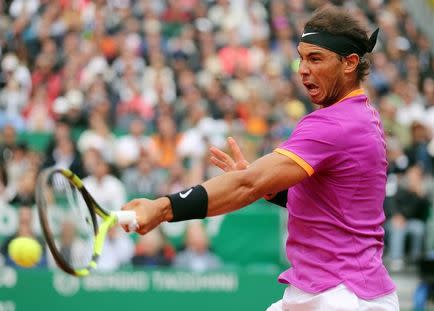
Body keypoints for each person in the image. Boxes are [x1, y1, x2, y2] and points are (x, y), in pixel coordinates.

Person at [121, 6, 399, 310]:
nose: (302, 69)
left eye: (315, 59)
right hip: (335, 288)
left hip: (342, 294)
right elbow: (330, 205)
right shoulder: (361, 116)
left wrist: (163, 208)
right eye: (301, 58)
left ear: (349, 63)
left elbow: (245, 185)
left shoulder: (335, 124)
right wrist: (270, 187)